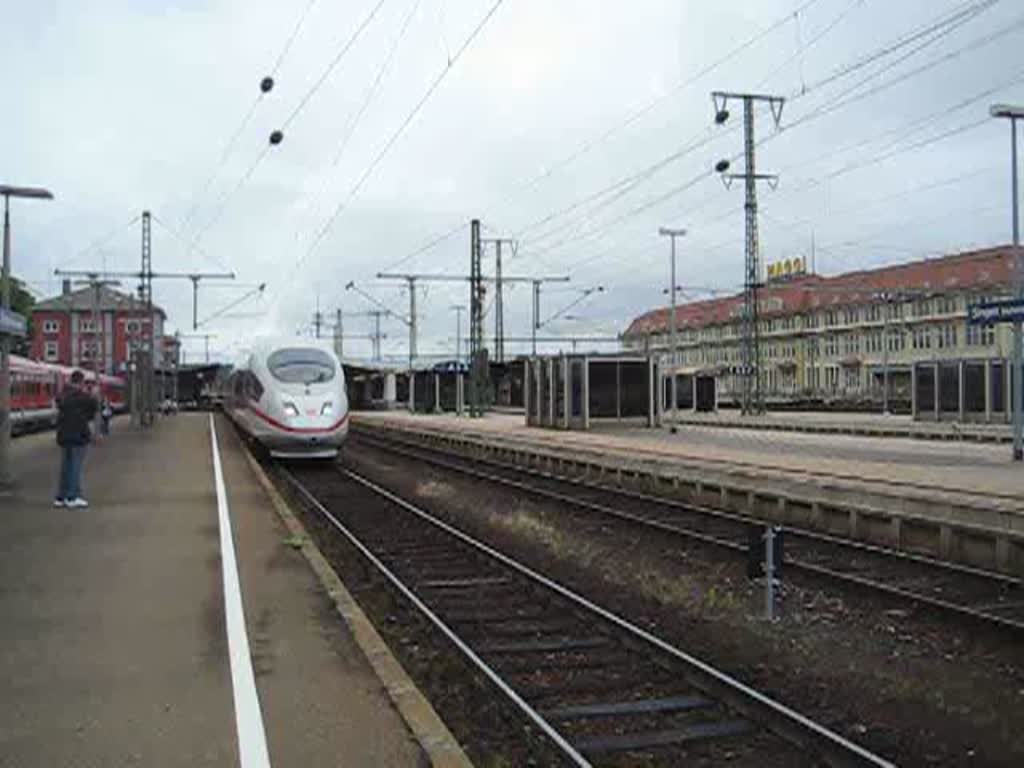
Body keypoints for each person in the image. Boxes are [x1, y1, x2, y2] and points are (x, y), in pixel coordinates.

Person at [55, 370, 98, 508]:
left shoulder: (63, 395)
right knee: (75, 467)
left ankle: (61, 497)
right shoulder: (82, 396)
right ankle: (73, 497)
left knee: (65, 467)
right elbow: (93, 408)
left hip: (63, 435)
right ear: (80, 382)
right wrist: (94, 394)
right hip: (78, 435)